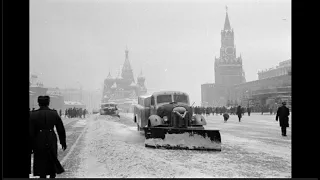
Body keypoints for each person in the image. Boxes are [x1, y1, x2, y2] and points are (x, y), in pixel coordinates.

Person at [29, 96, 67, 178]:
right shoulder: (54, 113)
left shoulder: (33, 114)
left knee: (41, 159)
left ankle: (42, 176)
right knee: (52, 157)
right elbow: (61, 129)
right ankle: (52, 174)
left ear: (38, 103)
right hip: (51, 138)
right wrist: (63, 141)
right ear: (48, 103)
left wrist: (30, 146)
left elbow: (30, 132)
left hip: (38, 139)